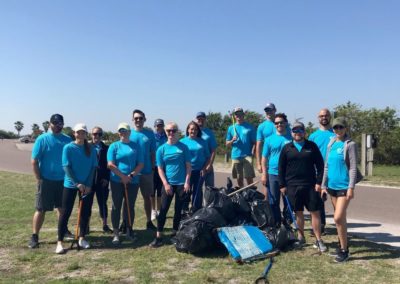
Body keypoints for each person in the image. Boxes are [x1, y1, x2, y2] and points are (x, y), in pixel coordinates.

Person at [278, 121, 327, 252]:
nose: (297, 133)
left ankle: (318, 240)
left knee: (315, 213)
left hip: (310, 185)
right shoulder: (287, 148)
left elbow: (320, 166)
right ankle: (301, 237)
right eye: (295, 130)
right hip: (292, 186)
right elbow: (281, 168)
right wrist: (282, 185)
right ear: (292, 133)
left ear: (304, 132)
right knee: (298, 212)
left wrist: (318, 182)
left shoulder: (312, 146)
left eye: (300, 130)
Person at [28, 113, 72, 249]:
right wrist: (39, 178)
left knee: (62, 208)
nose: (57, 126)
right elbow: (34, 161)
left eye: (60, 124)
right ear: (50, 123)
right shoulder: (42, 139)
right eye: (55, 123)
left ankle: (63, 230)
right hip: (46, 180)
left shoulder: (67, 140)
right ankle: (35, 236)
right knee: (41, 209)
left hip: (63, 181)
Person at [55, 123, 97, 254]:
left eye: (83, 132)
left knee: (85, 212)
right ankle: (60, 242)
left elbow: (93, 168)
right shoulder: (68, 147)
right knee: (65, 212)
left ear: (86, 134)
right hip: (71, 184)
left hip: (86, 185)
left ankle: (82, 238)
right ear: (74, 133)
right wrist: (77, 183)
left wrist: (88, 184)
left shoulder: (91, 149)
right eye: (78, 132)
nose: (80, 134)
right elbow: (66, 167)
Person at [321, 117, 357, 262]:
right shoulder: (331, 144)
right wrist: (323, 185)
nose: (338, 130)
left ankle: (344, 251)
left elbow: (353, 167)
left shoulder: (350, 144)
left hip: (344, 186)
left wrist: (351, 187)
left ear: (345, 128)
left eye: (341, 127)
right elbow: (326, 166)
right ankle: (342, 245)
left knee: (337, 217)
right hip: (332, 187)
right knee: (341, 219)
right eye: (335, 127)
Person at [150, 122, 191, 248]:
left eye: (173, 130)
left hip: (181, 184)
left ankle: (174, 234)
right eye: (168, 131)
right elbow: (160, 169)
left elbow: (188, 167)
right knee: (163, 210)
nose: (171, 133)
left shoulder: (184, 147)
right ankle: (159, 236)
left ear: (177, 131)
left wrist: (187, 182)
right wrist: (166, 184)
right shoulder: (161, 149)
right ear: (165, 132)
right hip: (168, 184)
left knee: (178, 211)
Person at [107, 123, 144, 244]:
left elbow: (140, 164)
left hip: (132, 181)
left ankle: (129, 231)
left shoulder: (136, 146)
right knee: (116, 206)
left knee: (129, 206)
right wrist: (122, 176)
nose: (122, 132)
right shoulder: (114, 146)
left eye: (125, 130)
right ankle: (116, 233)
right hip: (116, 181)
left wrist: (131, 176)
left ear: (129, 132)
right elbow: (110, 164)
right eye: (120, 131)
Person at [128, 109, 157, 230]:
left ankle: (149, 221)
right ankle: (127, 223)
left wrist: (151, 168)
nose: (138, 120)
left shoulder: (150, 134)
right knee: (130, 200)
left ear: (144, 119)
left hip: (146, 172)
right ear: (132, 120)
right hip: (132, 173)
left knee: (148, 197)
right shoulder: (128, 133)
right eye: (136, 118)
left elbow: (152, 153)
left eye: (140, 118)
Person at [261, 113, 292, 226]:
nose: (279, 124)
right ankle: (276, 223)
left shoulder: (291, 138)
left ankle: (288, 222)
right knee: (273, 201)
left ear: (286, 123)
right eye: (277, 123)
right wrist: (264, 174)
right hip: (273, 174)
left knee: (288, 201)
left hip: (288, 175)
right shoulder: (269, 140)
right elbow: (264, 158)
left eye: (281, 122)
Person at [309, 108, 335, 235]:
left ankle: (340, 223)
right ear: (318, 118)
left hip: (334, 171)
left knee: (336, 199)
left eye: (326, 115)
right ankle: (321, 225)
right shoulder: (313, 136)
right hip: (318, 172)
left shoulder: (336, 133)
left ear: (330, 117)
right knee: (319, 199)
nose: (324, 117)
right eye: (321, 116)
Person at [86, 126, 112, 233]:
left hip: (102, 181)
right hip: (89, 181)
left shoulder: (107, 148)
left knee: (102, 203)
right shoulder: (86, 147)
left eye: (99, 134)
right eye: (94, 134)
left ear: (102, 135)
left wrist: (106, 178)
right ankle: (86, 225)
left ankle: (105, 225)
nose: (96, 136)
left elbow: (110, 165)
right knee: (87, 203)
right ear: (91, 135)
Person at [180, 121, 210, 213]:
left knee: (197, 192)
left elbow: (208, 157)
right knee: (186, 190)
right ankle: (184, 210)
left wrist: (204, 168)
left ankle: (196, 210)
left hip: (199, 171)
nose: (193, 131)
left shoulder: (203, 142)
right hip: (186, 171)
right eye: (191, 129)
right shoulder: (182, 141)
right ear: (188, 130)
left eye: (195, 129)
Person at [225, 107, 256, 187]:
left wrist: (253, 151)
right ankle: (242, 193)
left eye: (240, 114)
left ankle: (251, 193)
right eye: (237, 114)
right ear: (235, 116)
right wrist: (232, 140)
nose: (239, 116)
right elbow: (227, 144)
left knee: (248, 176)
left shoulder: (250, 127)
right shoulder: (231, 128)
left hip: (247, 156)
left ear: (243, 114)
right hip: (236, 155)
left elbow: (254, 142)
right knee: (239, 178)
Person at [195, 112, 218, 187]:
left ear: (205, 119)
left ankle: (208, 199)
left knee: (210, 188)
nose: (200, 120)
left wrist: (209, 164)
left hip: (207, 162)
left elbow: (213, 150)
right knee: (196, 188)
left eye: (202, 118)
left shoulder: (209, 133)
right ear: (196, 119)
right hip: (195, 165)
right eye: (198, 118)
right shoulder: (191, 131)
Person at [151, 119, 167, 221]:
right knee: (152, 191)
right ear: (155, 127)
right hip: (153, 167)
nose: (159, 127)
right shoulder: (152, 137)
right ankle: (153, 210)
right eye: (157, 126)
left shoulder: (166, 137)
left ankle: (159, 210)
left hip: (163, 167)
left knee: (160, 191)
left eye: (160, 126)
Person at [256, 103, 277, 174]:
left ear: (275, 110)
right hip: (267, 161)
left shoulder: (282, 124)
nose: (269, 112)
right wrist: (259, 163)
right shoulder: (261, 126)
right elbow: (258, 146)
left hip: (281, 161)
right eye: (267, 110)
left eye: (270, 110)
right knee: (268, 183)